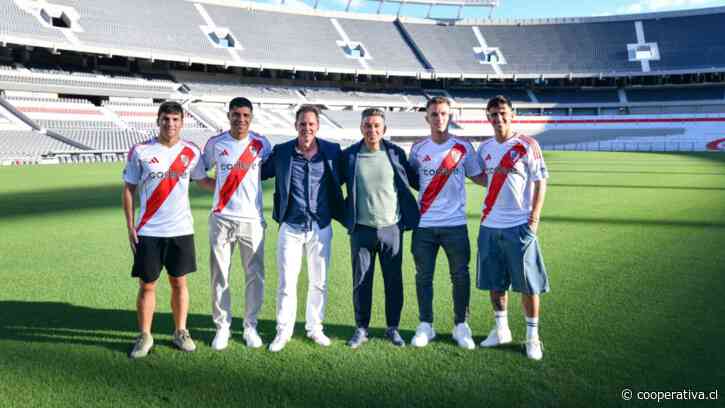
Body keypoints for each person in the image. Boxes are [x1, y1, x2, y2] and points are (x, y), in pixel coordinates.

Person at [122, 101, 207, 358]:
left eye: (175, 119)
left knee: (179, 282)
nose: (170, 124)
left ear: (182, 122)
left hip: (181, 229)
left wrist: (241, 181)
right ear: (158, 120)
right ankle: (145, 335)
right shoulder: (141, 151)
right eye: (166, 119)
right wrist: (129, 226)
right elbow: (129, 188)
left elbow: (203, 181)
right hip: (149, 231)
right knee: (147, 285)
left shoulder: (191, 152)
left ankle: (180, 331)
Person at [261, 105, 344, 352]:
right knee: (287, 283)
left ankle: (315, 328)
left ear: (317, 126)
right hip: (291, 226)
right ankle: (283, 331)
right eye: (302, 123)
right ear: (295, 125)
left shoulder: (331, 151)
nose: (306, 128)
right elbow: (257, 172)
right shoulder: (283, 151)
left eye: (311, 124)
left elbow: (347, 176)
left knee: (319, 282)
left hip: (320, 226)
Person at [476, 95, 550, 360]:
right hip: (489, 225)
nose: (499, 118)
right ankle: (501, 330)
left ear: (512, 114)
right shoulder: (483, 148)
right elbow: (483, 177)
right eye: (493, 114)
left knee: (528, 285)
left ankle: (532, 337)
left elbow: (541, 182)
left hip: (519, 225)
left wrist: (534, 219)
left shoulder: (527, 144)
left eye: (503, 113)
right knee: (495, 282)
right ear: (488, 117)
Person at [408, 96, 485, 350]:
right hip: (425, 225)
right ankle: (425, 325)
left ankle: (461, 326)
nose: (439, 118)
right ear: (426, 117)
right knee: (423, 277)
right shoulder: (418, 149)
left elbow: (480, 177)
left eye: (443, 114)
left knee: (460, 276)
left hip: (455, 225)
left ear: (449, 116)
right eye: (434, 114)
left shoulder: (464, 147)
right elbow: (413, 180)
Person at [339, 108, 420, 349]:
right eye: (367, 125)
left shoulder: (395, 153)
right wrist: (344, 216)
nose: (372, 130)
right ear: (361, 127)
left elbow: (413, 181)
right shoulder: (350, 155)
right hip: (361, 230)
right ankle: (361, 328)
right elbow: (333, 185)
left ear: (384, 129)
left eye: (376, 126)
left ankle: (392, 328)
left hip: (391, 229)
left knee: (393, 281)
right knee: (361, 281)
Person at [201, 97, 272, 351]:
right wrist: (220, 192)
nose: (240, 119)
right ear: (228, 115)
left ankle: (250, 326)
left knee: (255, 276)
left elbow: (271, 170)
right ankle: (222, 326)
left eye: (245, 115)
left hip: (252, 220)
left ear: (251, 117)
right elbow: (200, 174)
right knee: (219, 275)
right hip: (221, 219)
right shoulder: (215, 144)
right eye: (236, 114)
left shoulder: (262, 144)